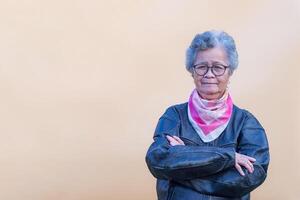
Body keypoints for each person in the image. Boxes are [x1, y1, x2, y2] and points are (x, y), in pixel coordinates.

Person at [145, 30, 270, 200]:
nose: (209, 74)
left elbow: (251, 176)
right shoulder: (174, 116)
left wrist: (183, 162)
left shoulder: (246, 122)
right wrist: (228, 157)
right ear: (192, 71)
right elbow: (157, 160)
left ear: (230, 71)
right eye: (202, 67)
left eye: (218, 67)